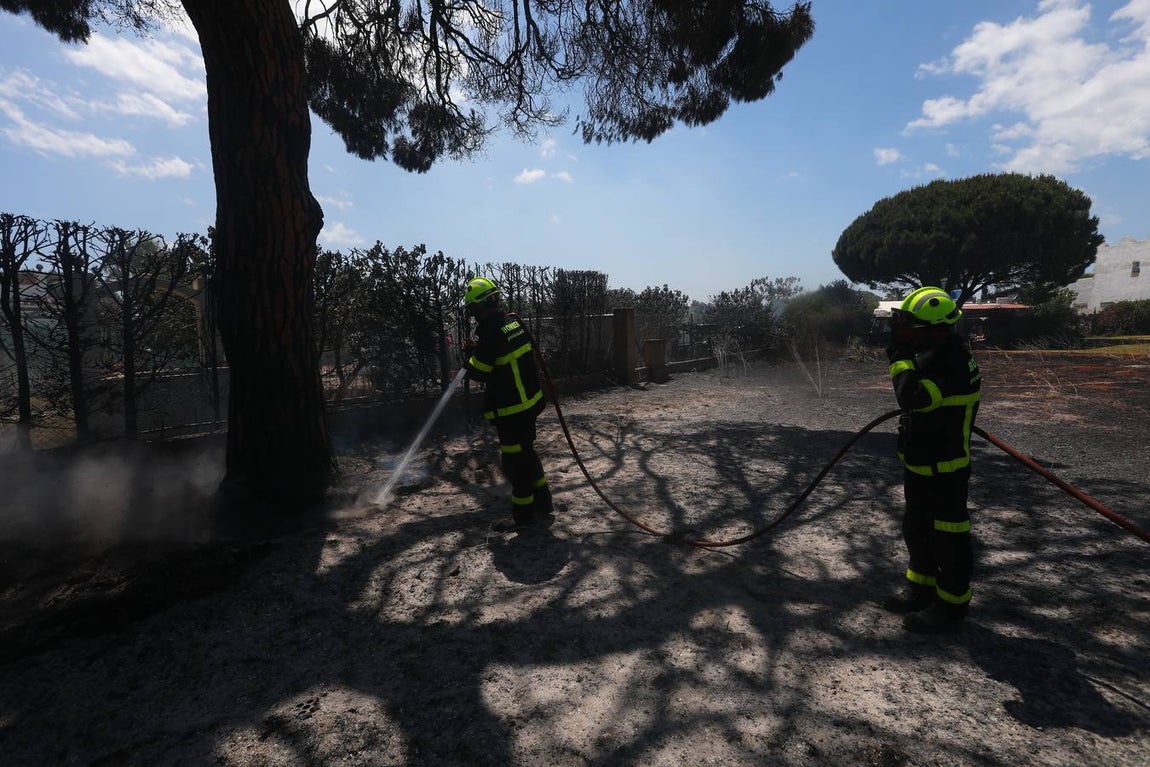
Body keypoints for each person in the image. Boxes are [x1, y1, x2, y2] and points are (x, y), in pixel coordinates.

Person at [883, 286, 981, 634]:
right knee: (917, 528)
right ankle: (920, 589)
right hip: (921, 465)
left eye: (911, 326)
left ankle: (951, 606)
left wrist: (898, 356)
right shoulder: (933, 354)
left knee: (948, 538)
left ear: (937, 328)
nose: (905, 331)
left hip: (947, 470)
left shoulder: (954, 364)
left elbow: (910, 397)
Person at [462, 276, 554, 531]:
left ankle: (523, 518)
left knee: (515, 465)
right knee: (528, 454)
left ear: (478, 308)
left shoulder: (491, 334)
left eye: (472, 310)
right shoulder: (513, 324)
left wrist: (467, 359)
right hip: (529, 406)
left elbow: (479, 372)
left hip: (511, 412)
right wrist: (476, 353)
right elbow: (499, 359)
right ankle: (544, 505)